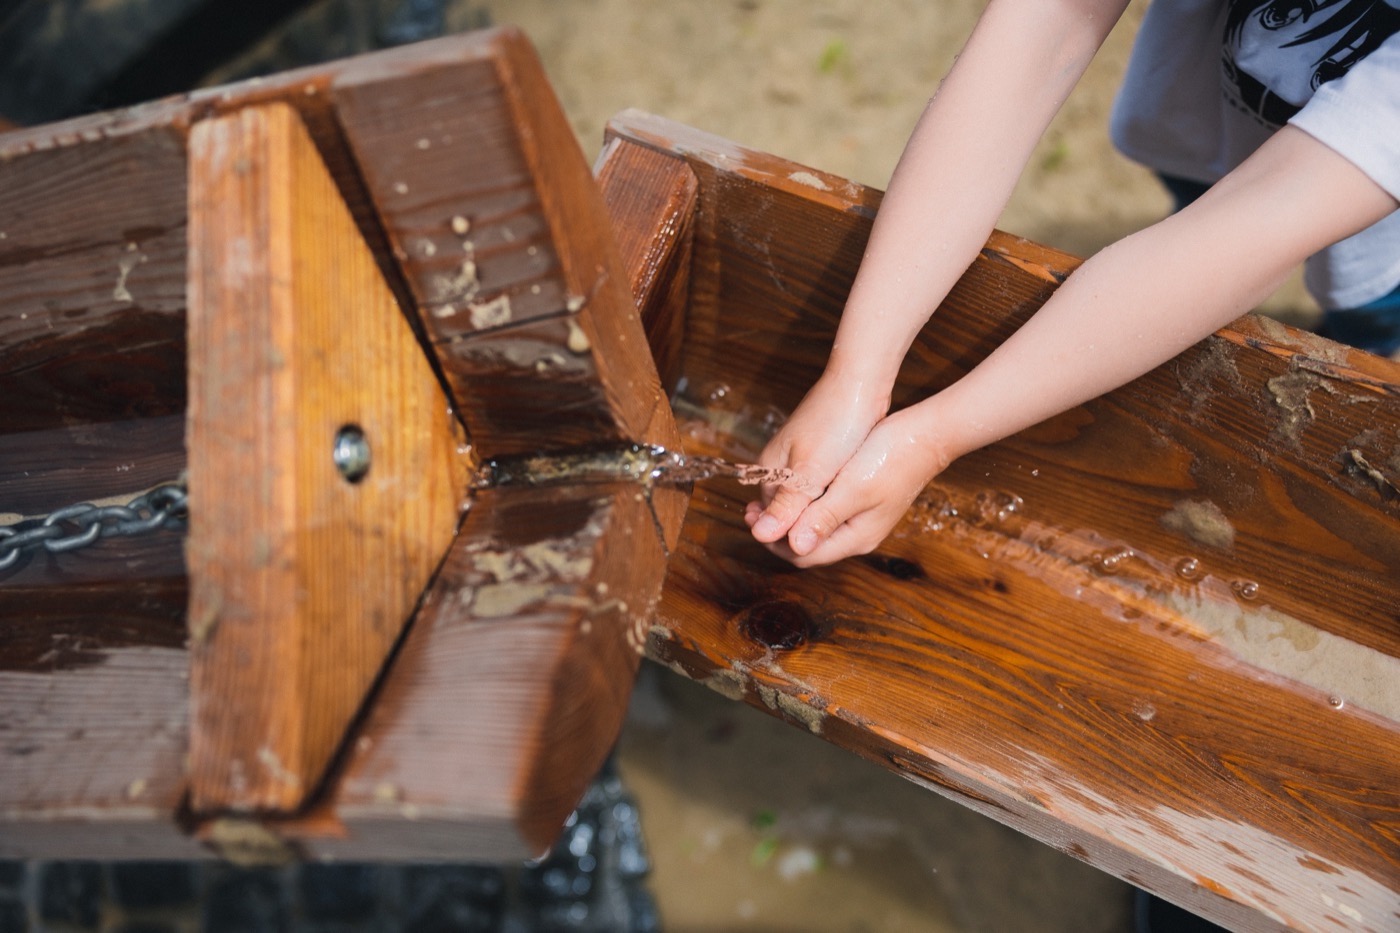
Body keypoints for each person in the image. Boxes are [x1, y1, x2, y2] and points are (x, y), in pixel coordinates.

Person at [745, 0, 1400, 568]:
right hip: (1216, 112)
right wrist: (857, 372)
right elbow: (1046, 25)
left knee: (1368, 310)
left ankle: (1377, 333)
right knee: (1200, 220)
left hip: (1381, 219)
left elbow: (1265, 220)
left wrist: (933, 435)